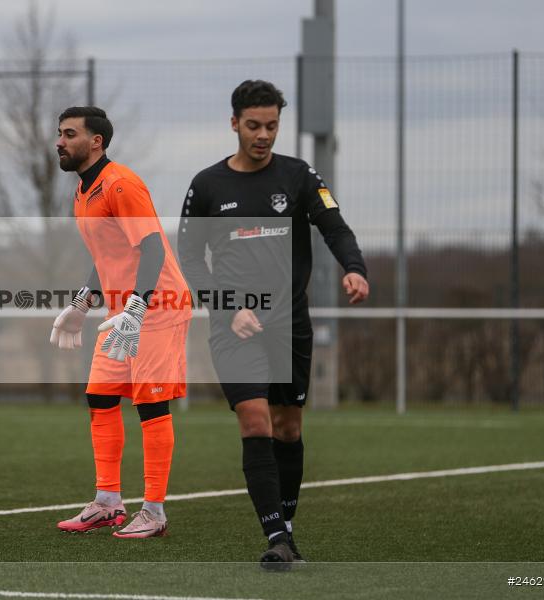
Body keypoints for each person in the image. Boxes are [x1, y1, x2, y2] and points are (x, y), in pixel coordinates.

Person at [178, 80, 369, 566]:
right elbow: (190, 261)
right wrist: (227, 307)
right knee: (255, 419)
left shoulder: (300, 176)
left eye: (272, 126)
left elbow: (335, 227)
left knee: (286, 427)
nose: (263, 135)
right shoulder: (206, 186)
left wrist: (354, 268)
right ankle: (276, 540)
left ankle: (285, 530)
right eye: (254, 125)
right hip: (232, 324)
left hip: (289, 322)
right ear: (234, 123)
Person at [51, 106, 192, 538]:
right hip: (123, 310)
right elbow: (109, 257)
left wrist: (135, 308)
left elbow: (151, 249)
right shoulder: (82, 193)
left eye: (69, 133)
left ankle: (154, 512)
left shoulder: (122, 184)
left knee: (150, 404)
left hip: (157, 306)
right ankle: (108, 503)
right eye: (59, 133)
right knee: (100, 398)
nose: (59, 141)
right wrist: (80, 306)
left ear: (96, 141)